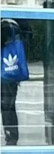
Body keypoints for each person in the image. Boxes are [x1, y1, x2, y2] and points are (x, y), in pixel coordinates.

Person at [1, 18, 30, 146]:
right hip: (8, 73)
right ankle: (11, 136)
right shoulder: (13, 23)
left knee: (7, 106)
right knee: (8, 106)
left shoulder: (7, 24)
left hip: (6, 72)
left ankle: (11, 137)